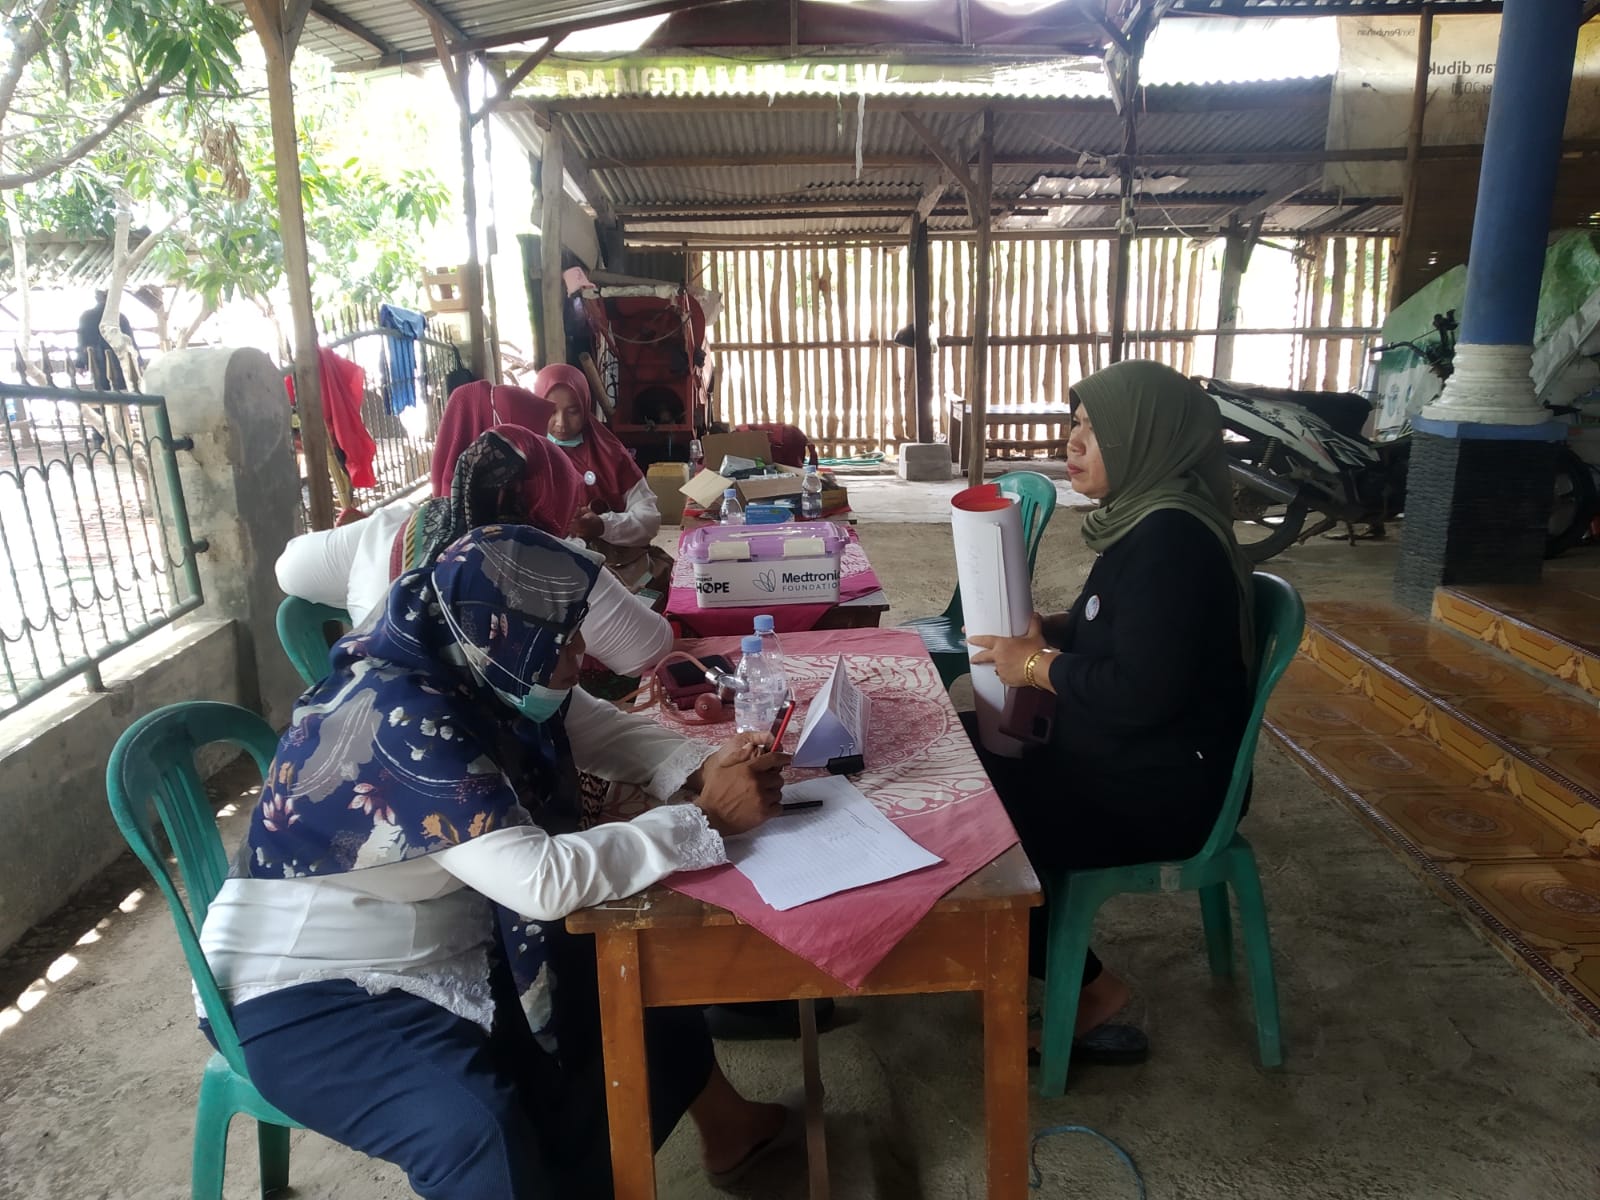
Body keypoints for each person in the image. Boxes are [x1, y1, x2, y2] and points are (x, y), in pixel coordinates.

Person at [200, 525, 801, 1197]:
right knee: (472, 1128)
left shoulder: (482, 665)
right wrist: (706, 817)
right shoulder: (406, 721)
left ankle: (716, 1134)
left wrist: (703, 768)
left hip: (441, 932)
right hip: (307, 985)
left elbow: (607, 731)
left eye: (573, 633)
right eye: (560, 642)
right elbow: (543, 881)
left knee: (635, 973)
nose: (577, 655)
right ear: (498, 634)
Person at [967, 360, 1255, 1065]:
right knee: (961, 754)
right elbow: (1125, 634)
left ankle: (1093, 992)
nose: (1072, 442)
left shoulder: (1172, 543)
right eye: (1075, 424)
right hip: (1131, 755)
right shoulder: (1144, 518)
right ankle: (1018, 955)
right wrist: (1053, 631)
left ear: (1147, 437)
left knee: (979, 826)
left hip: (1162, 791)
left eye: (1096, 430)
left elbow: (1140, 690)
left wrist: (1035, 666)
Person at [275, 392, 673, 678]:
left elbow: (290, 570)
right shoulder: (550, 565)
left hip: (373, 716)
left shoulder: (402, 525)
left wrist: (364, 585)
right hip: (475, 746)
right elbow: (649, 651)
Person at [534, 363, 662, 549]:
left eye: (573, 411)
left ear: (586, 406)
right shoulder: (528, 457)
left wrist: (603, 525)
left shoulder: (610, 454)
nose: (561, 423)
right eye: (551, 411)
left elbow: (649, 519)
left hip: (607, 562)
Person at [75, 289, 136, 391]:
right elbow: (130, 342)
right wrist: (138, 362)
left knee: (102, 390)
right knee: (122, 389)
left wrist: (80, 363)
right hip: (119, 360)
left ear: (96, 298)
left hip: (97, 362)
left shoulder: (86, 317)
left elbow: (82, 343)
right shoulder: (120, 317)